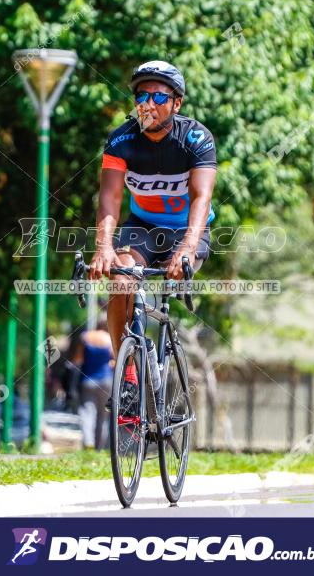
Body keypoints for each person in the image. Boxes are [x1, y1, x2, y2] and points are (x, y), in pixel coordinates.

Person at [89, 61, 217, 409]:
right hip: (142, 227)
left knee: (167, 275)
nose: (148, 102)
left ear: (177, 103)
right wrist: (103, 247)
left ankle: (162, 360)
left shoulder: (195, 138)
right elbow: (111, 197)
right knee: (121, 280)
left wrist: (189, 247)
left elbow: (200, 197)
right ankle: (127, 374)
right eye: (141, 95)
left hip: (187, 229)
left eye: (159, 95)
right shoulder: (121, 139)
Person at [72, 318, 114, 449]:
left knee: (87, 412)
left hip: (88, 380)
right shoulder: (110, 339)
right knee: (103, 416)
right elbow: (116, 360)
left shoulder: (86, 337)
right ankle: (99, 447)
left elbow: (78, 359)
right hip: (106, 381)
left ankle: (88, 443)